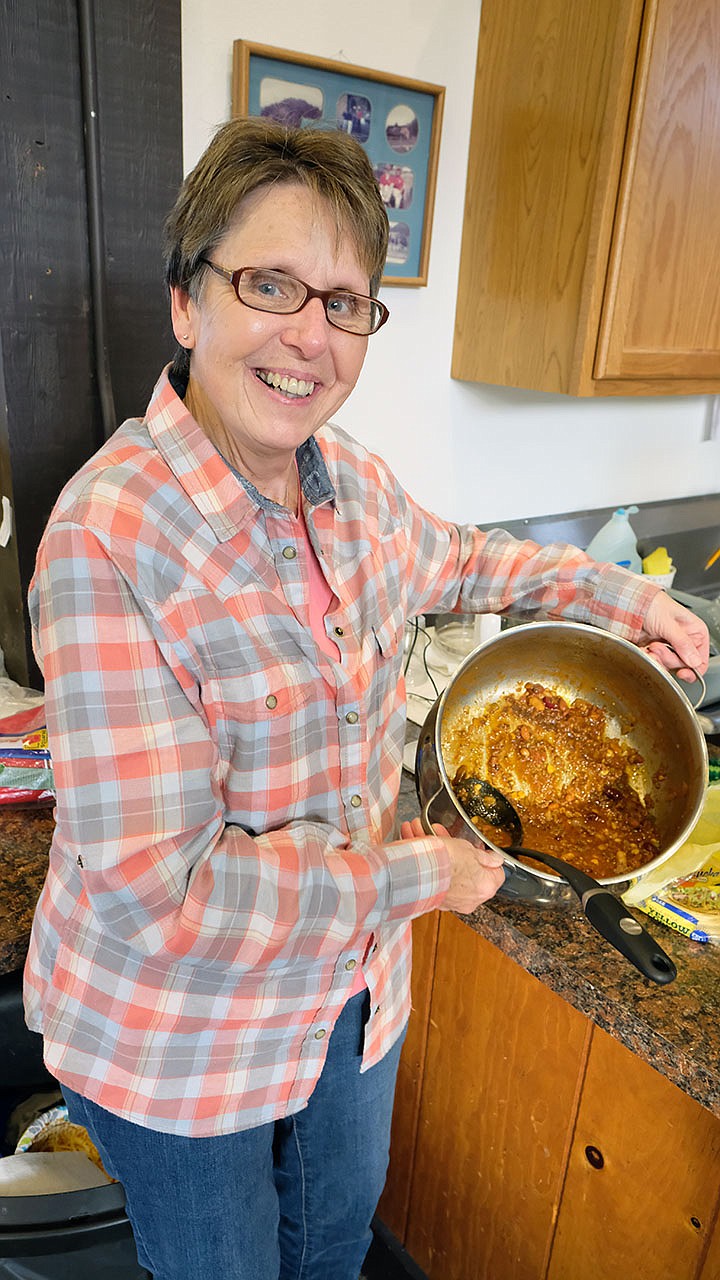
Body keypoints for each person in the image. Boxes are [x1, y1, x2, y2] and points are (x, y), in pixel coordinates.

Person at [24, 116, 708, 1280]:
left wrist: (615, 597)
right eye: (271, 284)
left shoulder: (353, 488)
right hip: (181, 1040)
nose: (311, 335)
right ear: (189, 305)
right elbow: (166, 895)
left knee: (335, 1247)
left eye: (345, 302)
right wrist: (421, 875)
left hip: (349, 997)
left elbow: (463, 560)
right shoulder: (110, 538)